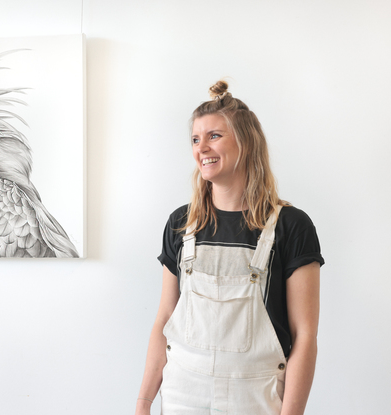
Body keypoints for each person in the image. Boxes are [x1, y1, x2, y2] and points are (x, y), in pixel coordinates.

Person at [135, 80, 324, 415]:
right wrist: (143, 403)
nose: (201, 148)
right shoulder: (182, 223)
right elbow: (164, 319)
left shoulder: (291, 226)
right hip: (182, 398)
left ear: (246, 143)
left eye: (214, 136)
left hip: (256, 401)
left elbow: (305, 336)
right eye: (195, 139)